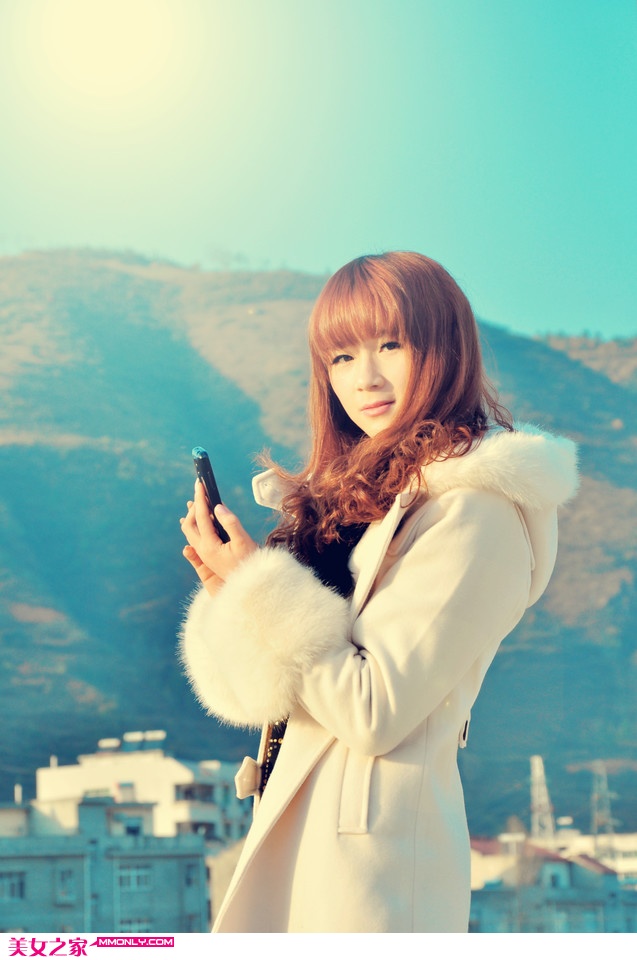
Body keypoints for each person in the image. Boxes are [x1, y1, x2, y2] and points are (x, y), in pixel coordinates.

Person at [178, 251, 578, 933]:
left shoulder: (476, 509)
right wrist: (232, 594)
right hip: (302, 839)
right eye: (340, 357)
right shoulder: (352, 506)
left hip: (375, 871)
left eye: (390, 345)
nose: (363, 378)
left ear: (445, 347)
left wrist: (260, 590)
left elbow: (373, 710)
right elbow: (263, 697)